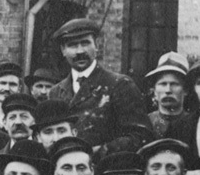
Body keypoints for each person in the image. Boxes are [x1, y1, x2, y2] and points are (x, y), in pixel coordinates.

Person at [48, 16, 151, 151]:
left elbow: (141, 137)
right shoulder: (56, 92)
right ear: (63, 50)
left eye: (85, 43)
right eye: (72, 45)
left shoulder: (119, 85)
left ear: (97, 45)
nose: (80, 51)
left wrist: (99, 152)